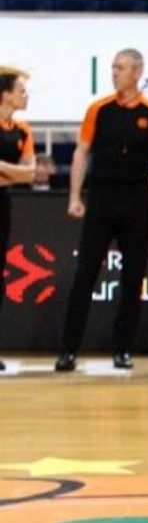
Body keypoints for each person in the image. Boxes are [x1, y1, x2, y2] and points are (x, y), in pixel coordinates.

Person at [54, 49, 148, 372]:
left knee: (133, 277)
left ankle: (122, 349)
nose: (115, 73)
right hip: (101, 197)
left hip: (136, 198)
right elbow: (82, 152)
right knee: (85, 275)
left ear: (137, 72)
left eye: (121, 68)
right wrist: (75, 195)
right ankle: (68, 350)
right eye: (112, 67)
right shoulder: (98, 109)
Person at [0, 68, 36, 371]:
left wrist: (4, 170)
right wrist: (14, 172)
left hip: (3, 203)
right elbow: (20, 172)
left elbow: (30, 173)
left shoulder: (22, 131)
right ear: (5, 94)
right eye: (21, 90)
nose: (26, 96)